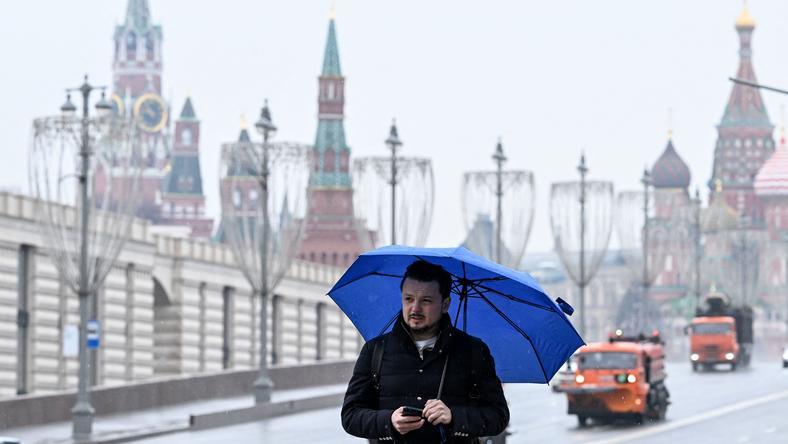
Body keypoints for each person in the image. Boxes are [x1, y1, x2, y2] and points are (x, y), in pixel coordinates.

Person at [341, 260, 509, 443]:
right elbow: (350, 416)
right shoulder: (375, 350)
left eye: (426, 301)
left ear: (445, 304)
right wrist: (389, 421)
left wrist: (454, 417)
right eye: (408, 299)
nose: (415, 308)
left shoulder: (473, 351)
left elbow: (498, 417)